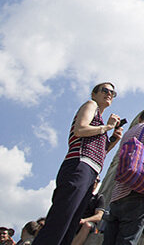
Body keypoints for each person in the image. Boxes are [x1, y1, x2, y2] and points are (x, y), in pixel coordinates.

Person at [33, 82, 122, 245]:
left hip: (91, 171)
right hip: (79, 165)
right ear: (94, 94)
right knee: (62, 215)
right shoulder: (91, 105)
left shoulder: (99, 120)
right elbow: (80, 129)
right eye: (105, 90)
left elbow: (99, 152)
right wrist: (107, 127)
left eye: (113, 93)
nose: (109, 94)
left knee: (72, 222)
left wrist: (113, 139)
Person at [103, 107, 144, 245]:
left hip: (117, 194)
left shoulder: (129, 132)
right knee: (127, 240)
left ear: (139, 119)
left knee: (109, 240)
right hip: (139, 189)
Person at [70, 178, 105, 245]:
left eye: (97, 181)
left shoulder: (99, 197)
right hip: (75, 221)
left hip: (88, 224)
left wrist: (84, 220)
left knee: (87, 225)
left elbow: (99, 216)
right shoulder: (79, 195)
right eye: (94, 179)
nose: (95, 182)